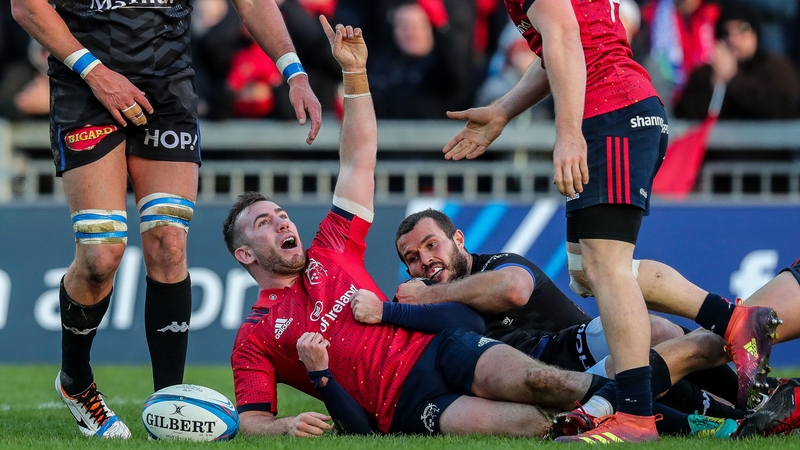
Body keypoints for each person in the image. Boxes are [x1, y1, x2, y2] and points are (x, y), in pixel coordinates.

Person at [227, 17, 615, 438]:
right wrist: (283, 427)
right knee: (534, 425)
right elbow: (251, 421)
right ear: (245, 254)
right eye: (264, 222)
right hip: (407, 405)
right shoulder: (253, 337)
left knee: (549, 384)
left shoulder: (330, 247)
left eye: (280, 213)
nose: (282, 220)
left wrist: (355, 73)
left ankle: (669, 410)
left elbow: (359, 160)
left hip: (438, 348)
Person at [441, 1, 782, 438]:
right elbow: (563, 49)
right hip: (617, 110)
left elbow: (566, 41)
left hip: (612, 113)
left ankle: (636, 416)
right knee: (588, 270)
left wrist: (568, 134)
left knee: (607, 269)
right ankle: (733, 320)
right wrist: (505, 110)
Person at [10, 0, 322, 439]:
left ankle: (169, 406)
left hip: (166, 87)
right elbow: (26, 7)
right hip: (86, 83)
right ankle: (76, 382)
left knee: (168, 244)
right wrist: (96, 73)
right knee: (101, 255)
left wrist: (294, 72)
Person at [674, 2, 799, 120]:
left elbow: (783, 109)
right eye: (726, 32)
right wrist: (714, 84)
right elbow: (686, 114)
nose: (733, 40)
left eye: (743, 29)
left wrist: (732, 80)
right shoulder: (704, 74)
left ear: (756, 34)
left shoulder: (776, 68)